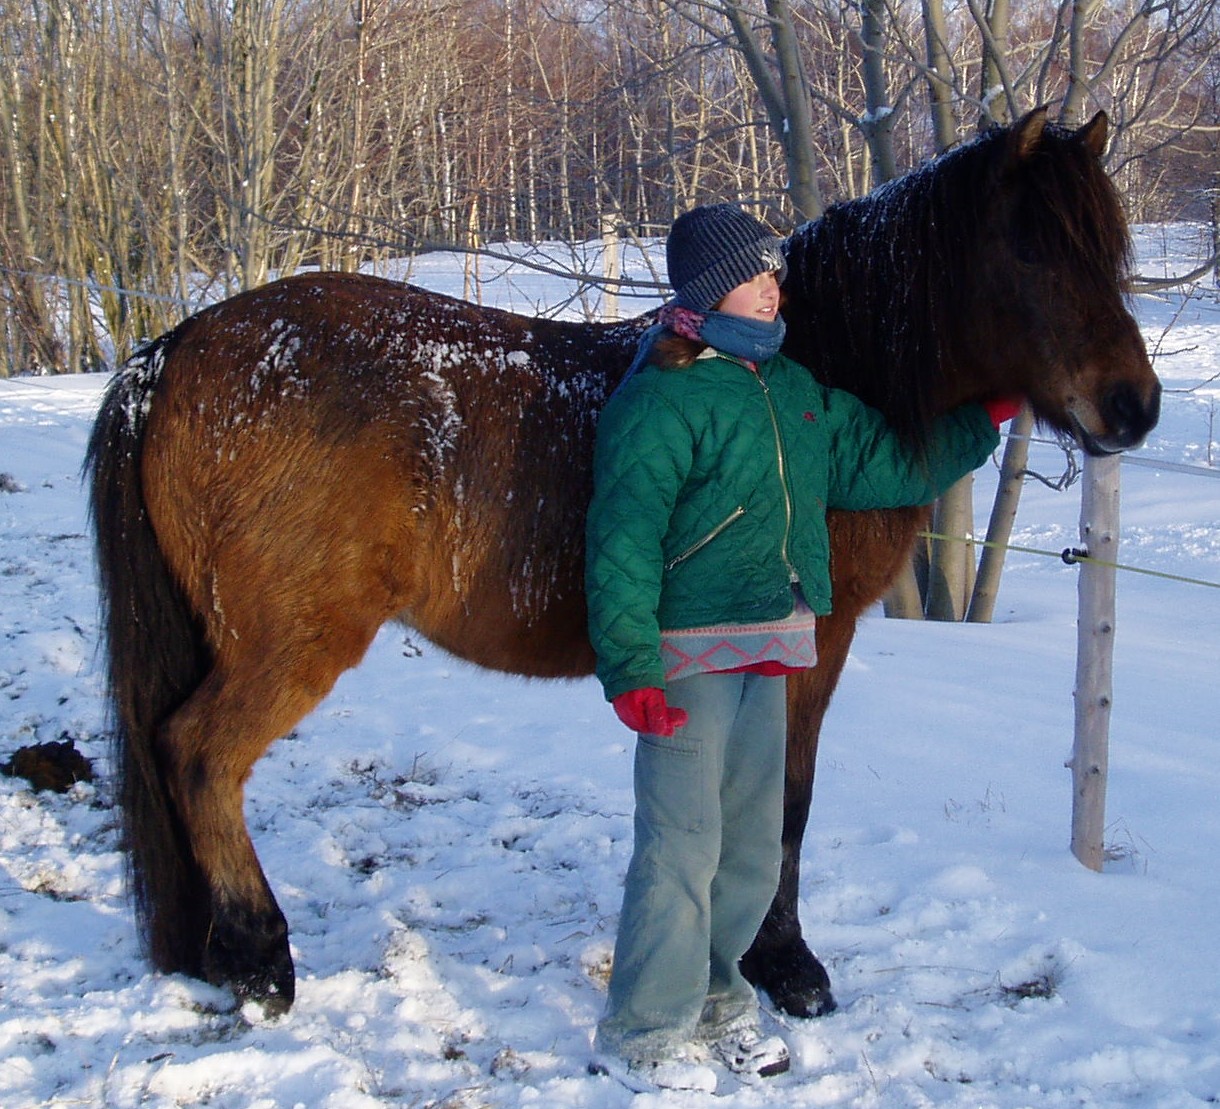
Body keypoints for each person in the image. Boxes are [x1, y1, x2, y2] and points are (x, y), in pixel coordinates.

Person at [584, 203, 1019, 1093]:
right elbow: (621, 538)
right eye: (755, 274)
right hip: (688, 658)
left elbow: (889, 464)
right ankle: (643, 1028)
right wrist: (631, 668)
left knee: (747, 845)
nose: (773, 284)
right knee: (680, 843)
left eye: (774, 271)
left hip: (771, 650)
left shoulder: (794, 391)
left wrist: (984, 419)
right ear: (710, 293)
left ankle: (717, 995)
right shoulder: (662, 397)